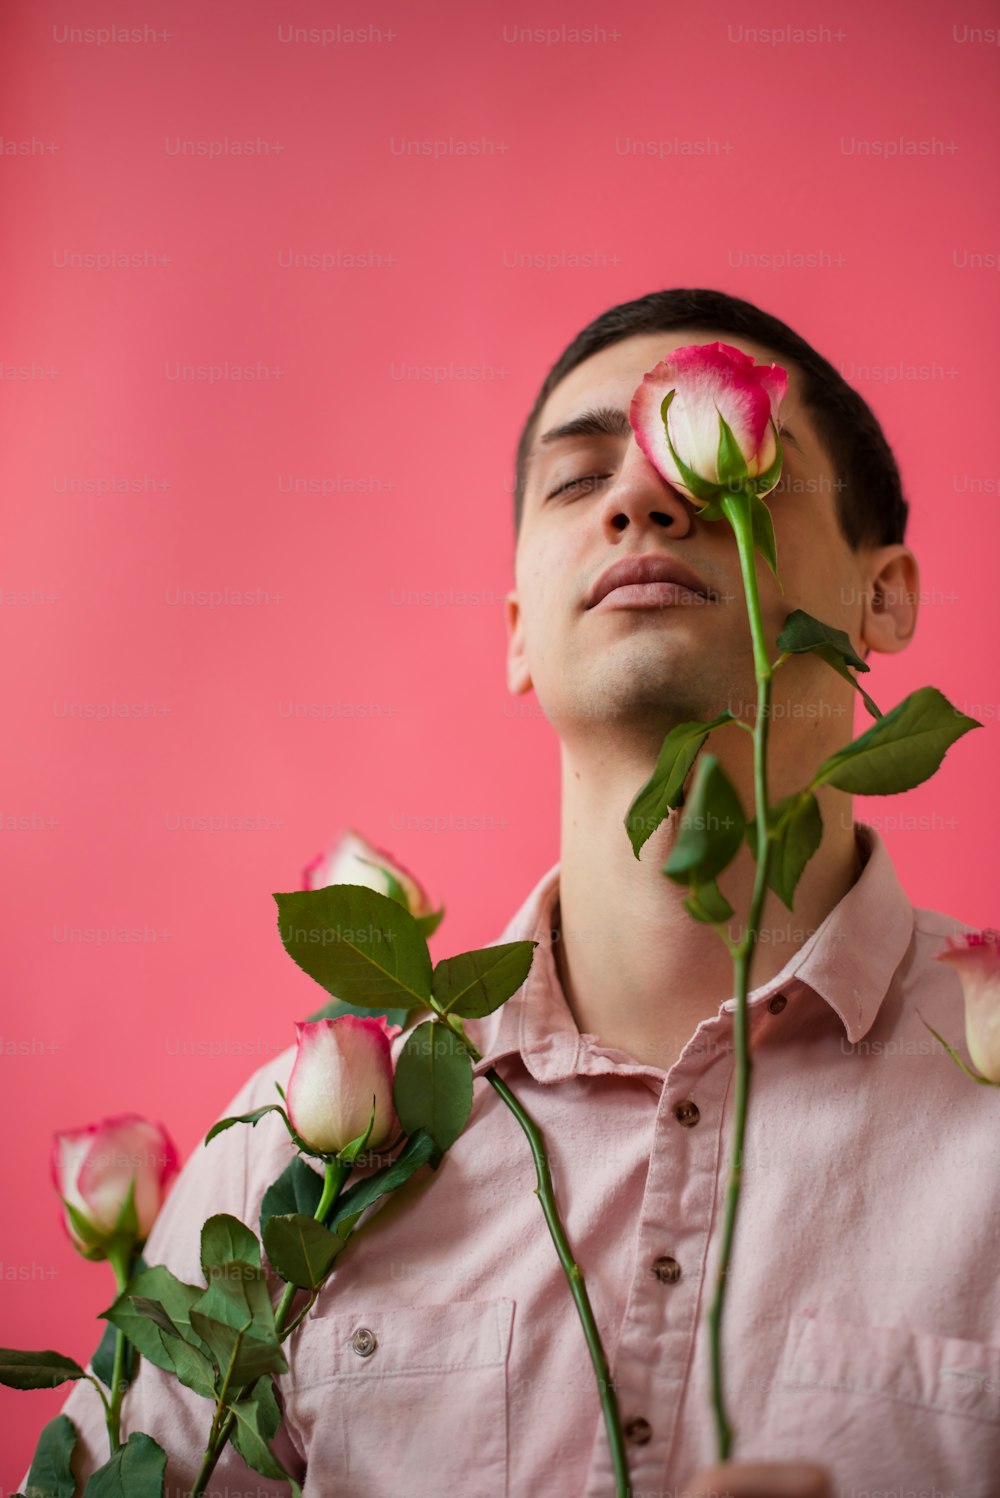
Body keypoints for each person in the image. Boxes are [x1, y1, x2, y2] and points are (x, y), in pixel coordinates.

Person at [33, 288, 999, 1498]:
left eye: (724, 469)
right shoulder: (295, 1152)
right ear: (515, 632)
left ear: (884, 595)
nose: (642, 499)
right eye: (578, 474)